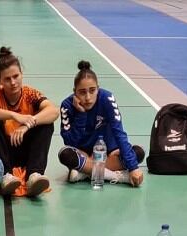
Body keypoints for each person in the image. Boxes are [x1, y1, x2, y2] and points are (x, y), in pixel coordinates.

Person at [0, 46, 56, 201]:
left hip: (21, 150)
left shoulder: (30, 94)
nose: (13, 82)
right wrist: (15, 115)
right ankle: (4, 175)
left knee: (45, 122)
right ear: (0, 81)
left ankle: (34, 175)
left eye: (16, 76)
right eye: (7, 79)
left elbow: (53, 111)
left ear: (21, 74)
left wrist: (28, 125)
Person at [57, 60, 145, 188]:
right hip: (84, 153)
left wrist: (133, 168)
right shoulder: (67, 105)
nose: (88, 97)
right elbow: (70, 143)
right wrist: (81, 114)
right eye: (82, 92)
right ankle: (115, 176)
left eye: (92, 91)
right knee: (65, 154)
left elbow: (119, 132)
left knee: (138, 152)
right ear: (74, 91)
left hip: (108, 152)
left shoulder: (107, 99)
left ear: (98, 89)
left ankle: (86, 172)